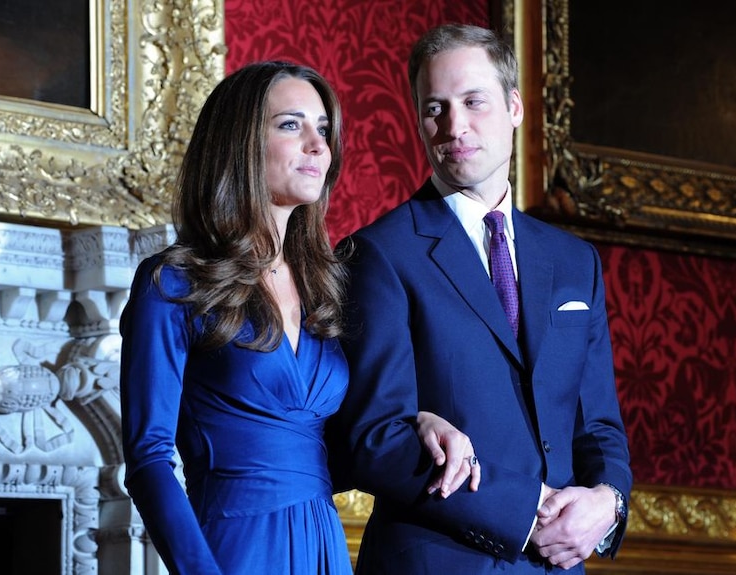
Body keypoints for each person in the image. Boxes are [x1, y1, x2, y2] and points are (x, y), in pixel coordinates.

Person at [119, 60, 478, 575]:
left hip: (323, 545)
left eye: (323, 129)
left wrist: (419, 420)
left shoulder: (328, 284)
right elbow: (149, 458)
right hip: (231, 548)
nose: (318, 145)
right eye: (292, 125)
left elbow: (346, 441)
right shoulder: (172, 282)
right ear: (239, 142)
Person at [334, 24, 633, 574]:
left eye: (474, 101)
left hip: (557, 565)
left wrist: (607, 503)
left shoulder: (574, 262)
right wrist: (525, 512)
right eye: (435, 109)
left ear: (514, 106)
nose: (455, 126)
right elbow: (374, 438)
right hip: (435, 560)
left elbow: (598, 428)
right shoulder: (378, 253)